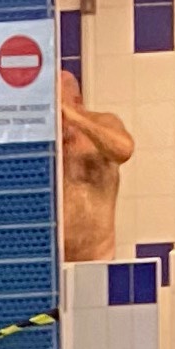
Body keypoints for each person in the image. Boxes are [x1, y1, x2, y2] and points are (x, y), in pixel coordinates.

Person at [59, 83, 135, 264]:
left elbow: (124, 150)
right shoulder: (41, 140)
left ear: (77, 101)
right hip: (51, 263)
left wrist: (76, 119)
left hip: (98, 258)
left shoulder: (105, 123)